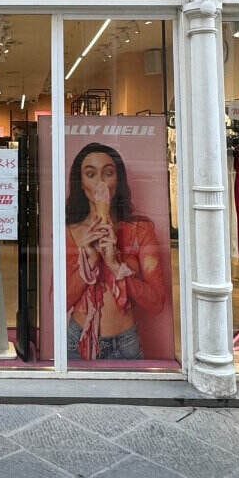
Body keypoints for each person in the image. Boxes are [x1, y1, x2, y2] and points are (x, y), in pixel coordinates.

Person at [65, 142, 167, 361]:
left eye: (108, 173)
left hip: (126, 342)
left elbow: (157, 302)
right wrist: (91, 260)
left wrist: (114, 264)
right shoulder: (70, 232)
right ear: (81, 184)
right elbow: (60, 302)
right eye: (90, 174)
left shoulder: (140, 230)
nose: (100, 182)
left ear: (118, 181)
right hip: (77, 339)